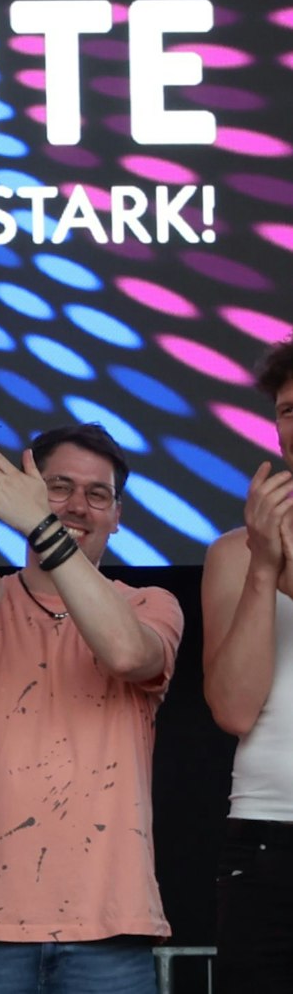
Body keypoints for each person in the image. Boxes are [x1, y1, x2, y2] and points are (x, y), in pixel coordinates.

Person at [0, 423, 183, 993]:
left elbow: (126, 654)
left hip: (111, 931)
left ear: (118, 516)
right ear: (26, 491)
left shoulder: (149, 604)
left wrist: (41, 524)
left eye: (98, 494)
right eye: (58, 488)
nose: (78, 505)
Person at [202, 336, 293, 990]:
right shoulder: (234, 554)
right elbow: (233, 709)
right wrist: (264, 568)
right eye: (289, 410)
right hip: (267, 837)